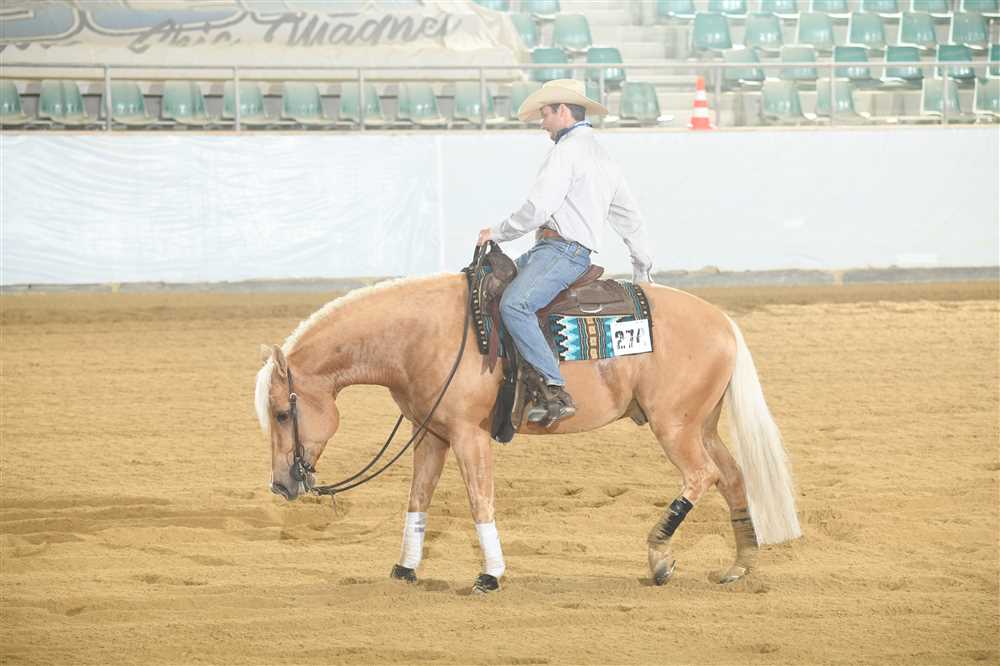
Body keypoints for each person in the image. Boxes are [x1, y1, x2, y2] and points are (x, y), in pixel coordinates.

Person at [477, 79, 653, 426]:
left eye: (545, 114)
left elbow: (538, 208)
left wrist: (497, 232)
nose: (542, 123)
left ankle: (553, 388)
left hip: (559, 251)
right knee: (497, 292)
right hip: (564, 251)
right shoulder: (604, 158)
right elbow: (629, 218)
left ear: (562, 110)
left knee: (515, 305)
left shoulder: (566, 152)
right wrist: (642, 266)